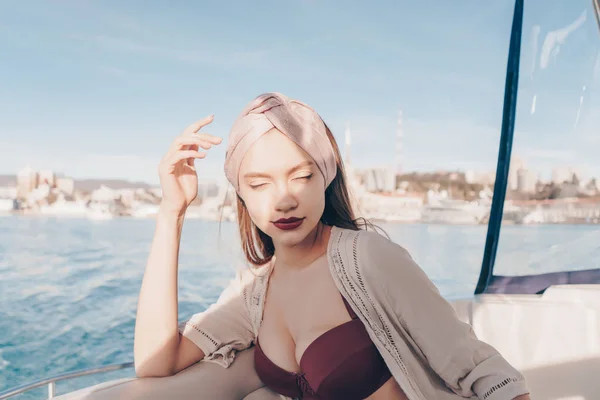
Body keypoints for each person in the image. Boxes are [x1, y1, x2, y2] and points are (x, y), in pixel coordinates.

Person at [134, 92, 531, 400]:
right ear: (242, 196)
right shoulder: (252, 293)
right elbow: (156, 363)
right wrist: (172, 211)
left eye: (301, 176)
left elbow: (479, 368)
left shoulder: (368, 258)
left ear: (325, 177)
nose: (284, 199)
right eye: (259, 184)